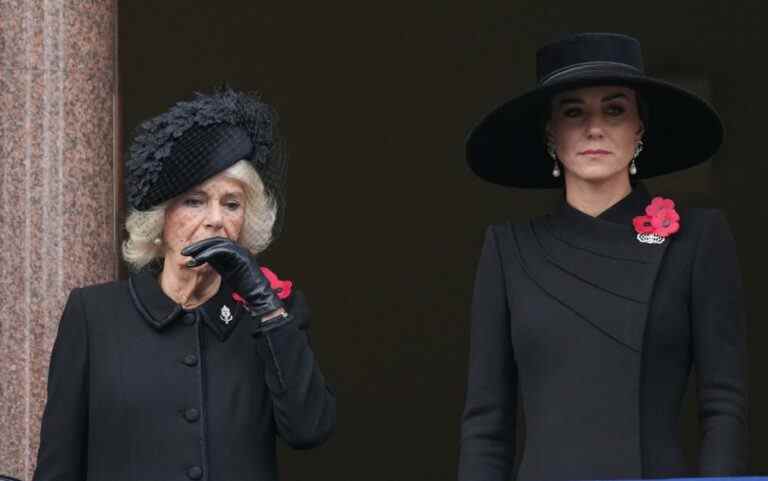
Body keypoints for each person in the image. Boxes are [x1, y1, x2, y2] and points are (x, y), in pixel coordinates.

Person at [459, 33, 748, 480]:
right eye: (574, 112)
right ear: (550, 133)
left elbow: (723, 406)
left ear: (639, 129)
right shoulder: (508, 250)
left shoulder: (698, 240)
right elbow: (486, 426)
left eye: (614, 109)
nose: (595, 128)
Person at [33, 88, 336, 481]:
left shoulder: (271, 314)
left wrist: (264, 305)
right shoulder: (94, 316)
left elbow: (309, 429)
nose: (215, 219)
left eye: (231, 204)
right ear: (160, 219)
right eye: (195, 201)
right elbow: (59, 467)